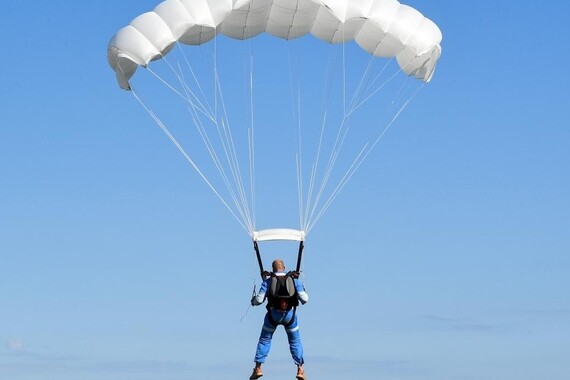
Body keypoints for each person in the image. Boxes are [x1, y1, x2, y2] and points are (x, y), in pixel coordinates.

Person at [249, 259, 309, 380]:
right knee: (295, 341)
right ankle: (300, 369)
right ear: (284, 267)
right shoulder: (294, 280)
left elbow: (259, 300)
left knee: (265, 340)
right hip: (289, 316)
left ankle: (258, 368)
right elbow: (305, 299)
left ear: (272, 268)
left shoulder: (268, 281)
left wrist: (253, 301)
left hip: (273, 315)